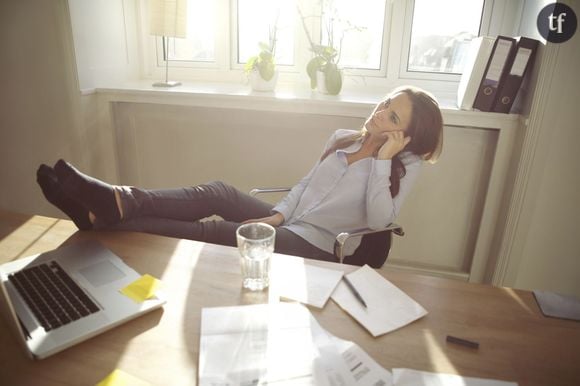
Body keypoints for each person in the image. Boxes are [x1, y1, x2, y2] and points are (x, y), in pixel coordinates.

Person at [36, 85, 443, 263]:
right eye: (386, 101)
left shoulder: (400, 169)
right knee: (219, 192)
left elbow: (378, 222)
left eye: (391, 115)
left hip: (322, 246)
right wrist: (276, 216)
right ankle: (121, 202)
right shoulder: (342, 138)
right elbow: (303, 186)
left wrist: (383, 159)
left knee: (220, 230)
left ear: (406, 136)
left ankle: (107, 218)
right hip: (292, 221)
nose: (379, 111)